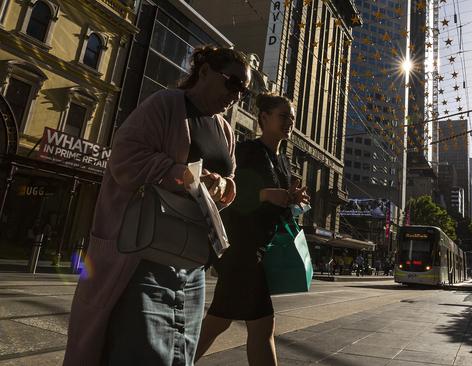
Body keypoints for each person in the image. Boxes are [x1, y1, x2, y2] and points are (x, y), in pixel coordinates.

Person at [64, 46, 250, 366]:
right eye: (232, 83)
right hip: (144, 258)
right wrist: (179, 172)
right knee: (143, 353)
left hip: (192, 266)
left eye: (243, 90)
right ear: (203, 71)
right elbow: (124, 159)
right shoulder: (164, 105)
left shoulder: (226, 130)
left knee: (180, 355)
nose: (237, 95)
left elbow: (230, 179)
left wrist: (224, 185)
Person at [196, 93, 309, 365]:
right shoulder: (248, 151)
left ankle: (175, 360)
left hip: (255, 251)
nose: (289, 122)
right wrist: (265, 194)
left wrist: (292, 199)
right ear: (264, 118)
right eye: (284, 116)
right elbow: (228, 196)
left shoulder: (282, 160)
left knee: (218, 321)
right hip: (241, 251)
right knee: (262, 326)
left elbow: (276, 203)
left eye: (292, 118)